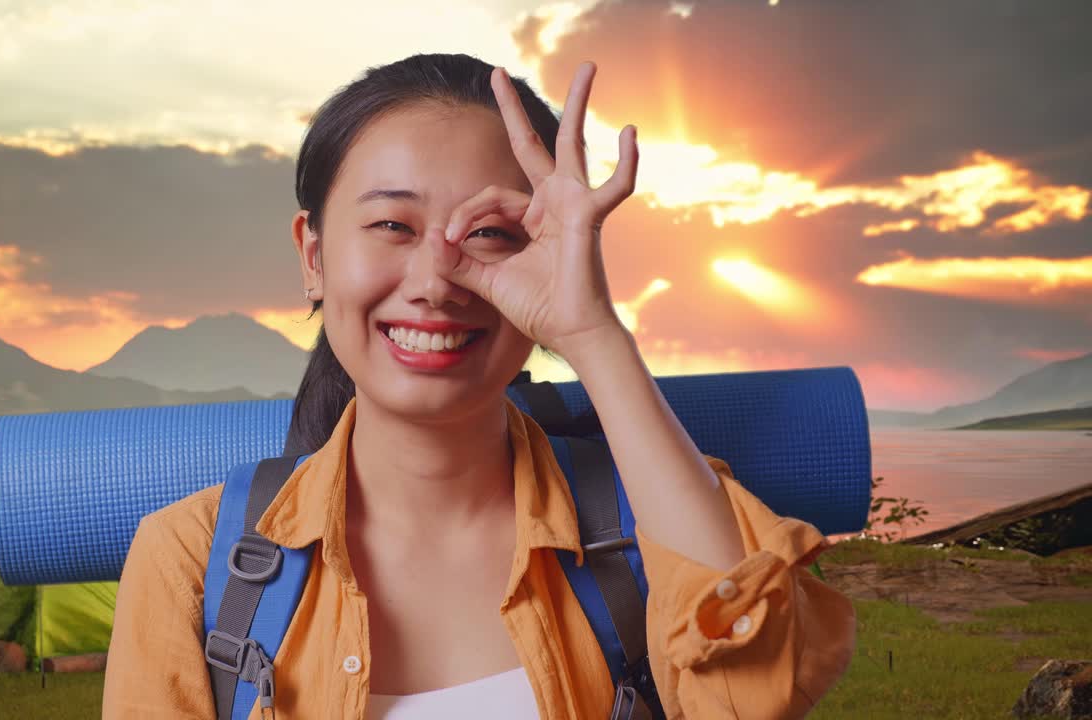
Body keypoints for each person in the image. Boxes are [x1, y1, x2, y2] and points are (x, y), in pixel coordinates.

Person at [102, 52, 856, 719]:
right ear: (314, 256)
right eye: (393, 226)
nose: (436, 281)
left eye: (491, 233)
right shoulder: (192, 560)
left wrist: (593, 335)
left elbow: (754, 698)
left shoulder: (648, 525)